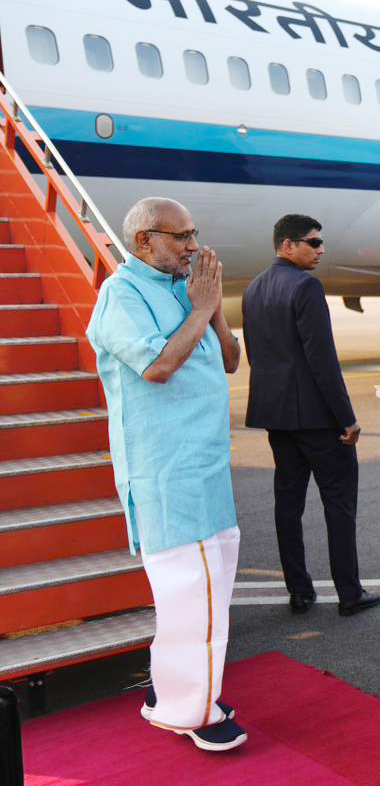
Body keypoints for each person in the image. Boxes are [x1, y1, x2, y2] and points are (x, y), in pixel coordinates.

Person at [86, 197, 246, 751]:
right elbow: (156, 366)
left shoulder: (187, 287)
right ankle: (192, 712)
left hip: (207, 468)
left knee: (213, 591)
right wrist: (199, 310)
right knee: (188, 595)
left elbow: (229, 360)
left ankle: (180, 692)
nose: (192, 245)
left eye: (194, 232)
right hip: (166, 473)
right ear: (143, 242)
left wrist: (214, 308)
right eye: (179, 236)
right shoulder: (121, 294)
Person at [242, 214, 380, 618]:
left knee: (288, 505)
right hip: (318, 419)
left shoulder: (254, 289)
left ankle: (299, 591)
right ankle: (349, 593)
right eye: (313, 242)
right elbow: (322, 360)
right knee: (339, 505)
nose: (321, 250)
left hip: (277, 416)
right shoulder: (305, 286)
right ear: (287, 244)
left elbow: (258, 354)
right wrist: (347, 418)